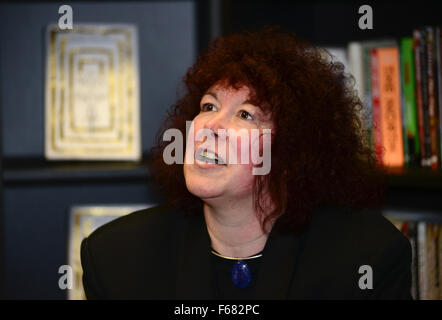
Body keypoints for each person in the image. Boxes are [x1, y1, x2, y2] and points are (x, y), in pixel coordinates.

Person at [80, 27, 412, 299]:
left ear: (291, 151)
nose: (210, 126)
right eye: (209, 106)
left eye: (245, 114)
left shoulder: (367, 258)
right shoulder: (115, 257)